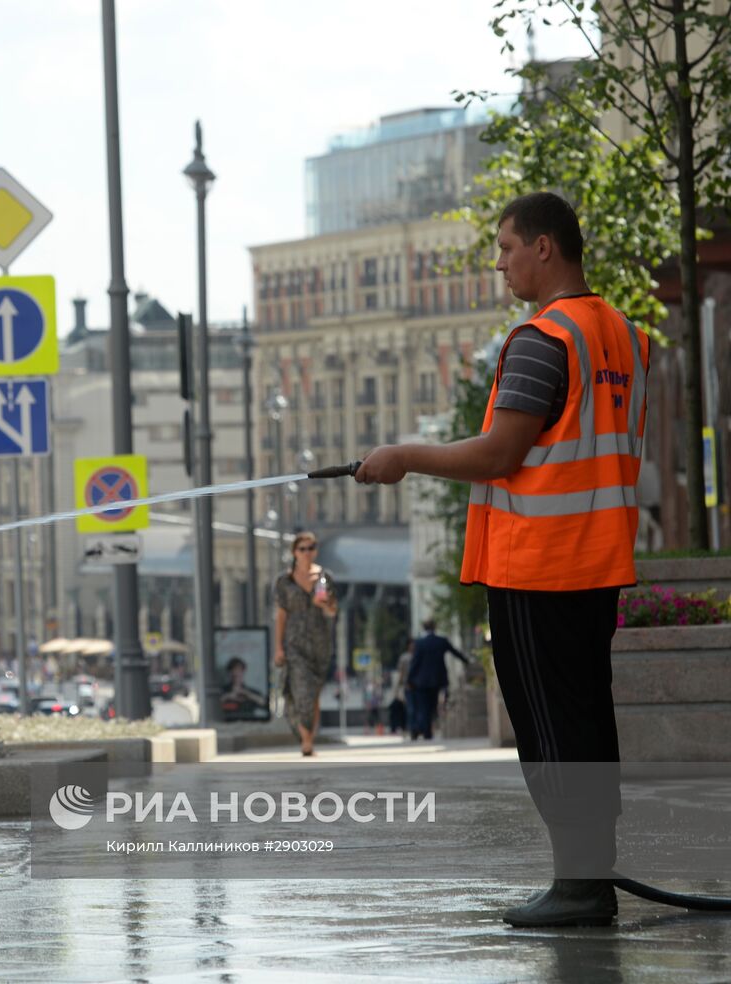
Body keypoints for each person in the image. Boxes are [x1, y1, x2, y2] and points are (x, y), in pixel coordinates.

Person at [355, 192, 649, 928]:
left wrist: (404, 457)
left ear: (545, 247)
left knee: (550, 727)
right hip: (594, 559)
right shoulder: (619, 333)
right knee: (585, 719)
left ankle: (580, 887)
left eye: (508, 248)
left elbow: (499, 454)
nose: (498, 263)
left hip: (536, 564)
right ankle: (590, 878)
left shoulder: (542, 338)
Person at [273, 531, 339, 756]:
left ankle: (310, 737)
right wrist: (279, 647)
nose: (307, 553)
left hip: (320, 642)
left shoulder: (324, 577)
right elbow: (281, 615)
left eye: (311, 548)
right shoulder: (284, 581)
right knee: (302, 691)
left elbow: (333, 611)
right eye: (302, 549)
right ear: (294, 552)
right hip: (294, 643)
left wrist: (325, 605)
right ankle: (306, 740)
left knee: (314, 694)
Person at [407, 618, 468, 741]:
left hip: (421, 682)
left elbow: (415, 663)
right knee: (433, 705)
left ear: (424, 628)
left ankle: (424, 730)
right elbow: (455, 652)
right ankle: (426, 730)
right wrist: (466, 661)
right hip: (437, 679)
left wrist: (410, 679)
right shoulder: (441, 641)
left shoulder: (419, 643)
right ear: (434, 627)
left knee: (423, 707)